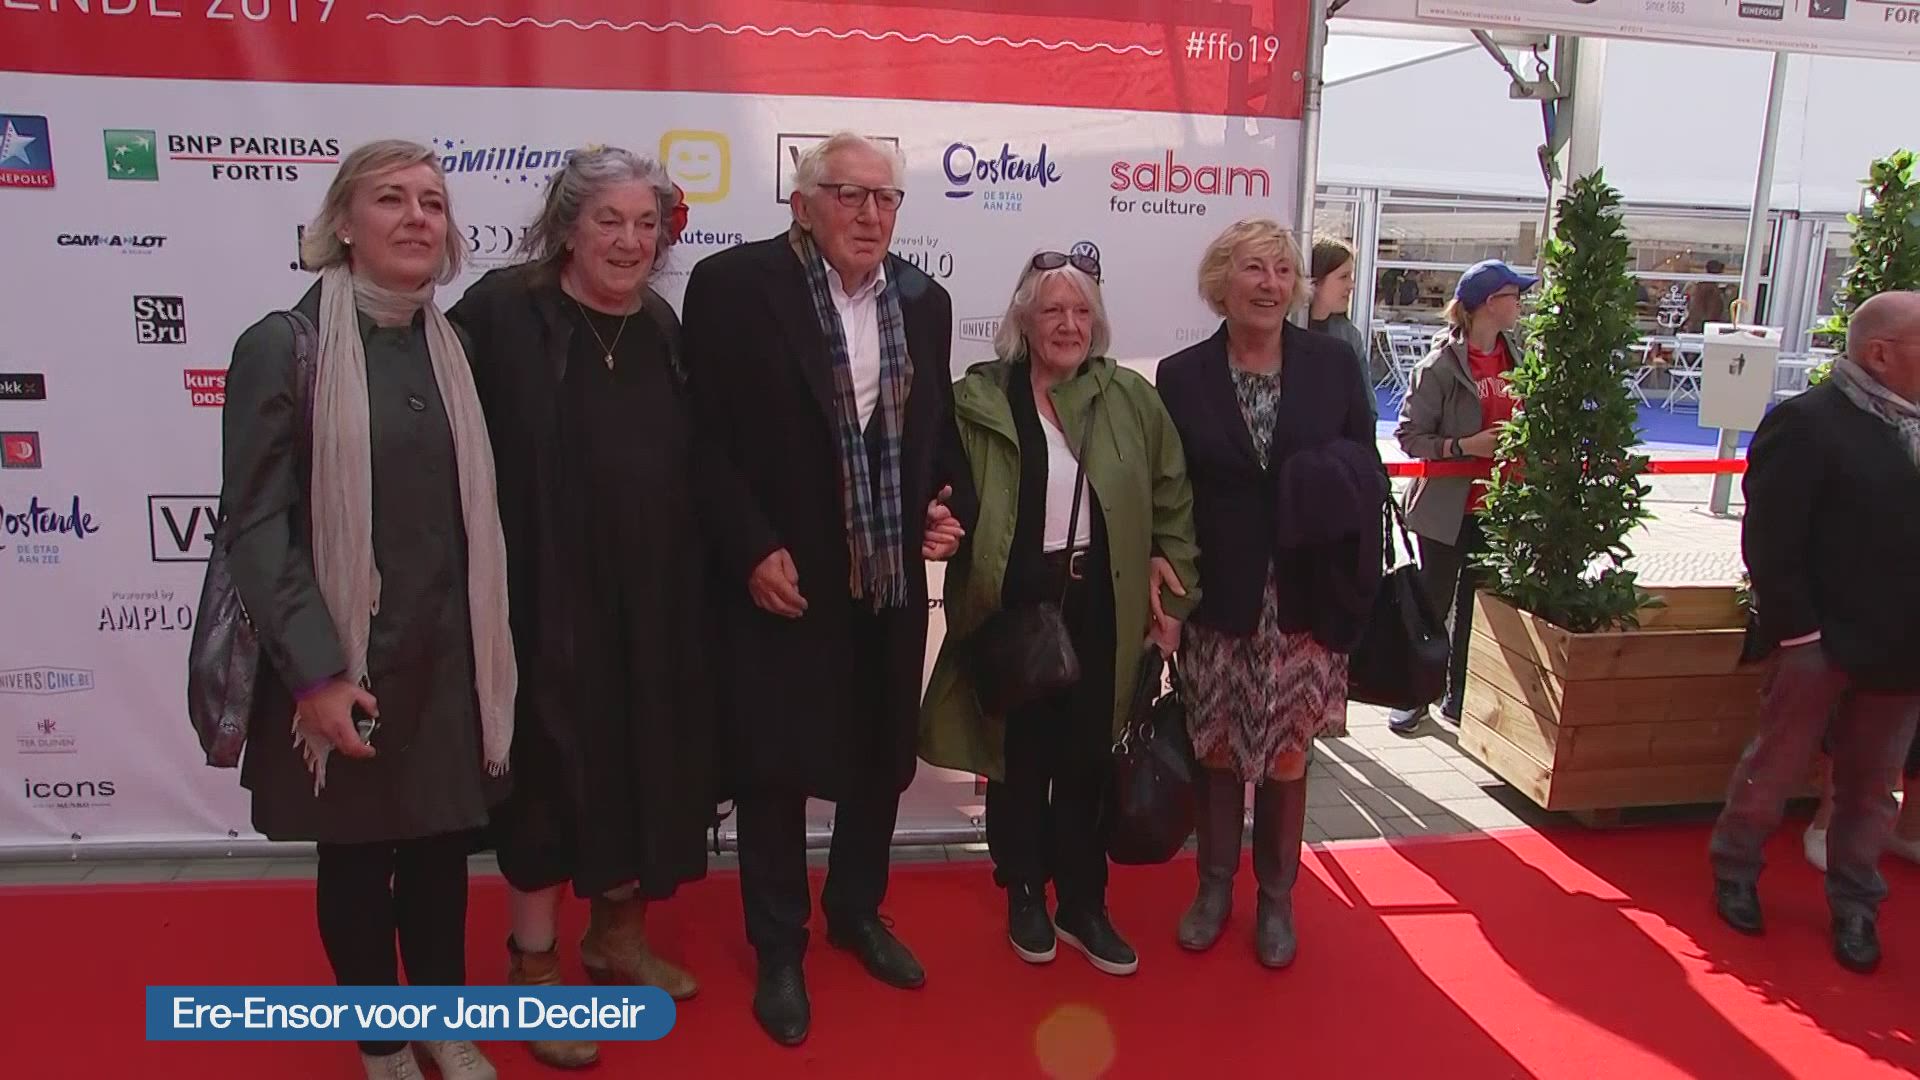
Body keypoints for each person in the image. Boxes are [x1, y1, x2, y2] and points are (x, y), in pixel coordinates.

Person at [220, 139, 510, 1080]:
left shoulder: (455, 349)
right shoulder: (283, 345)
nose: (417, 217)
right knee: (353, 861)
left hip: (447, 658)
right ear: (344, 224)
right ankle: (382, 1043)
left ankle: (442, 1024)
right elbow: (256, 528)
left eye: (433, 201)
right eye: (391, 199)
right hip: (340, 660)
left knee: (438, 858)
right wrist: (316, 675)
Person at [681, 132, 977, 1047]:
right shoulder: (733, 287)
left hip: (885, 578)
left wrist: (944, 506)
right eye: (849, 195)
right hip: (781, 577)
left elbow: (933, 431)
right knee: (773, 769)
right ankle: (779, 945)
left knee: (878, 757)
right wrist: (747, 549)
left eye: (885, 199)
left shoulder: (924, 299)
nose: (870, 214)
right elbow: (702, 437)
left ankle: (855, 910)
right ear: (802, 203)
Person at [448, 146, 710, 1070]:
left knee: (643, 764)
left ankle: (616, 938)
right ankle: (536, 969)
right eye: (609, 221)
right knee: (548, 784)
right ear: (567, 226)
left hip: (653, 600)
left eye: (646, 224)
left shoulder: (663, 324)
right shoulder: (501, 311)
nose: (630, 241)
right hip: (541, 603)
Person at [919, 248, 1200, 977]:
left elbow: (1171, 497)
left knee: (1087, 757)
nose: (1069, 325)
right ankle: (1022, 891)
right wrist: (938, 520)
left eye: (1081, 311)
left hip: (1102, 599)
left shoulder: (1129, 398)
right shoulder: (980, 399)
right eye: (1052, 311)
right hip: (1015, 603)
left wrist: (1173, 597)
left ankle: (1082, 901)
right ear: (1023, 320)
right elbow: (943, 485)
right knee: (1016, 757)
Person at [1157, 219, 1386, 968]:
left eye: (1283, 271)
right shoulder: (1181, 376)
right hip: (1219, 596)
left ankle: (1278, 898)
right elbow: (1171, 492)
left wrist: (1320, 481)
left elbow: (1369, 467)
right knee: (1217, 748)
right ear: (1220, 282)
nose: (1271, 284)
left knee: (1289, 751)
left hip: (1305, 594)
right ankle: (1213, 888)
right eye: (1254, 269)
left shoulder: (1332, 364)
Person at [1710, 290, 1920, 975]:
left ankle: (1856, 903)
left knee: (1872, 785)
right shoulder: (1806, 422)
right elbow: (1770, 540)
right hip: (1819, 642)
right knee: (1775, 765)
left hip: (1902, 648)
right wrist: (1800, 637)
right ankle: (1736, 867)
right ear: (1880, 354)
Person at [1387, 260, 1536, 736]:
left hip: (1500, 506)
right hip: (1446, 510)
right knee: (1432, 606)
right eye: (1515, 296)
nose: (1521, 304)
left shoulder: (1520, 357)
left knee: (1480, 606)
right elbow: (1409, 437)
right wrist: (1465, 447)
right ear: (1490, 303)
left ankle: (1460, 698)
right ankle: (1414, 695)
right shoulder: (1439, 366)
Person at [1307, 237, 1376, 420]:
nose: (1351, 286)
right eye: (1344, 277)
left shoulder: (1349, 336)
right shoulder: (1281, 330)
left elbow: (1367, 407)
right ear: (1315, 281)